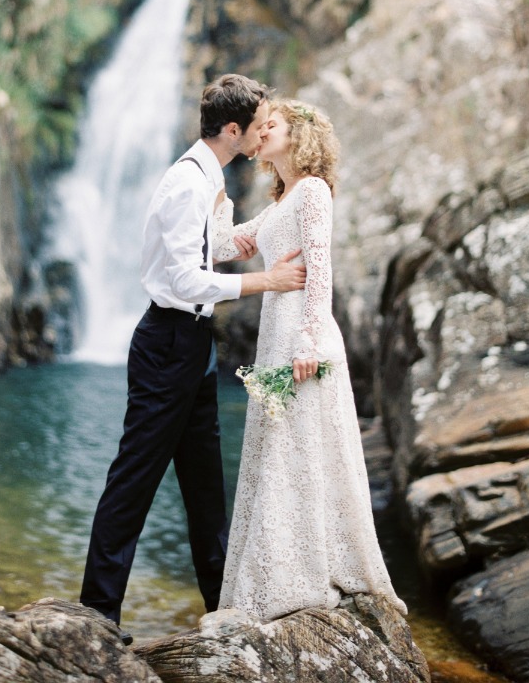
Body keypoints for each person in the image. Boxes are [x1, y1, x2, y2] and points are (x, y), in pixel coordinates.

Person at [80, 75, 307, 643]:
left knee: (205, 484)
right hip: (167, 343)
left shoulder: (212, 179)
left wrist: (250, 237)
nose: (262, 136)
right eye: (257, 128)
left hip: (193, 346)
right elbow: (182, 278)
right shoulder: (187, 183)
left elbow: (209, 249)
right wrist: (268, 281)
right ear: (234, 130)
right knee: (133, 480)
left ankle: (221, 608)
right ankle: (96, 618)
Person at [214, 99, 406, 620]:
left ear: (297, 136)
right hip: (275, 335)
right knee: (279, 447)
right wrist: (216, 195)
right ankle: (275, 572)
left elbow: (321, 268)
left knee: (301, 446)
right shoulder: (279, 203)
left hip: (303, 333)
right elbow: (226, 246)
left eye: (270, 125)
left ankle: (303, 575)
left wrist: (310, 341)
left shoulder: (314, 192)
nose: (260, 133)